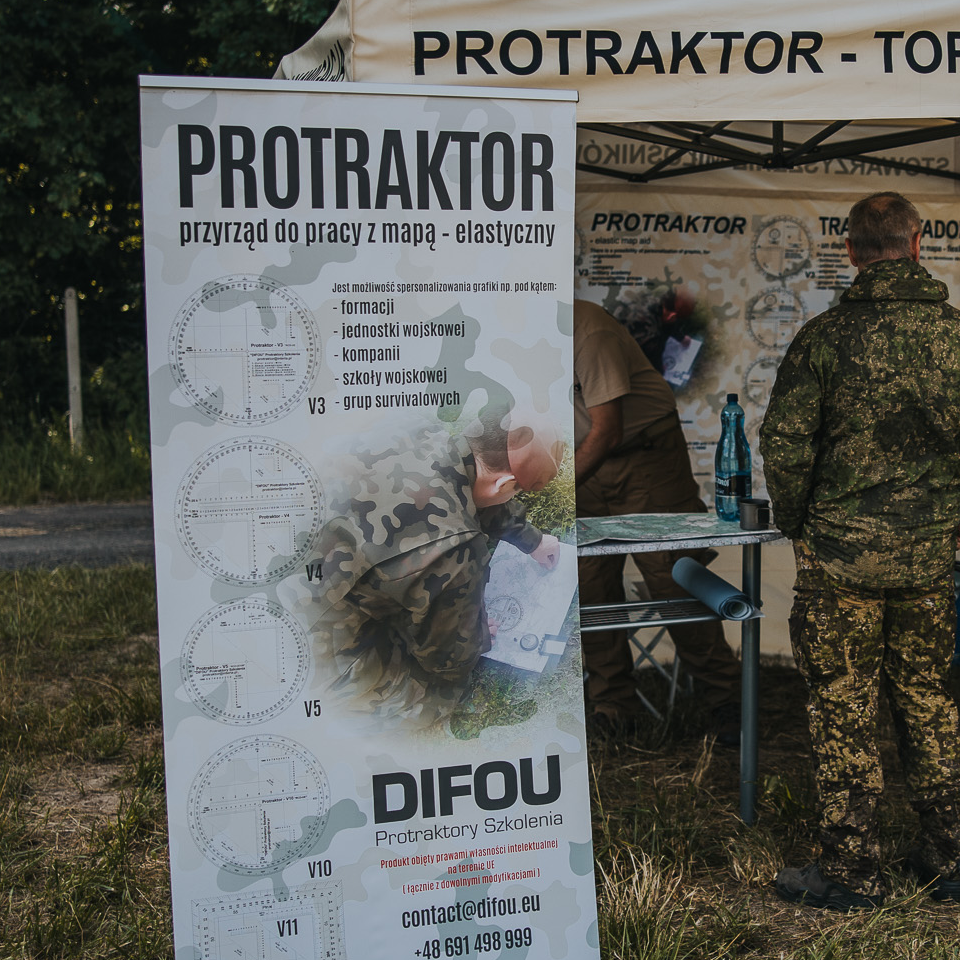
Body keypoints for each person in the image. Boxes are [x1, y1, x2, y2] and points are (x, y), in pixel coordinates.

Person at [761, 191, 960, 912]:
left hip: (839, 561)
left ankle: (853, 870)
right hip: (925, 561)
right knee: (926, 700)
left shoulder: (823, 340)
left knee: (844, 706)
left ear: (850, 251)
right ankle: (951, 860)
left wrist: (799, 521)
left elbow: (783, 445)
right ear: (918, 243)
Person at [311, 408, 563, 731]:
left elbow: (476, 487)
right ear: (506, 485)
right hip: (320, 637)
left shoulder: (420, 428)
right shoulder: (457, 551)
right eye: (515, 491)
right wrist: (478, 632)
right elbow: (447, 661)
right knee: (438, 691)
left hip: (306, 554)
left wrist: (533, 540)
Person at [572, 298, 743, 737]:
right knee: (589, 587)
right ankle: (613, 708)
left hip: (643, 458)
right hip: (579, 467)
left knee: (674, 579)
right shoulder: (515, 338)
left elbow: (606, 429)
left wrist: (551, 491)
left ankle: (726, 702)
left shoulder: (588, 329)